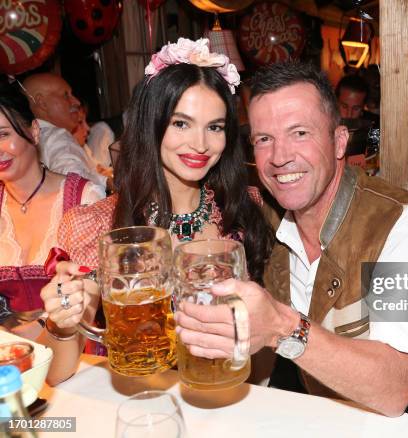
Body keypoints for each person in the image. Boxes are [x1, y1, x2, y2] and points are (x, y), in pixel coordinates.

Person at [174, 62, 408, 436]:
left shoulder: (403, 224)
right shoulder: (265, 219)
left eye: (299, 133)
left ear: (339, 142)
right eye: (264, 139)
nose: (280, 156)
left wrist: (282, 328)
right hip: (328, 417)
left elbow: (396, 387)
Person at [37, 38, 274, 385]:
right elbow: (59, 376)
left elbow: (265, 357)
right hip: (144, 404)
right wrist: (63, 322)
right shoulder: (98, 225)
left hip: (232, 398)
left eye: (215, 127)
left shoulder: (247, 209)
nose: (201, 144)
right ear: (152, 124)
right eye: (181, 123)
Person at [0, 77, 103, 340]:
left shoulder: (82, 198)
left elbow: (93, 306)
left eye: (3, 134)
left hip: (76, 358)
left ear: (34, 131)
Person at [22, 73, 107, 192]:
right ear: (42, 103)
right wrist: (108, 184)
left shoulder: (25, 137)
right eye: (66, 95)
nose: (76, 102)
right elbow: (76, 182)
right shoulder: (56, 136)